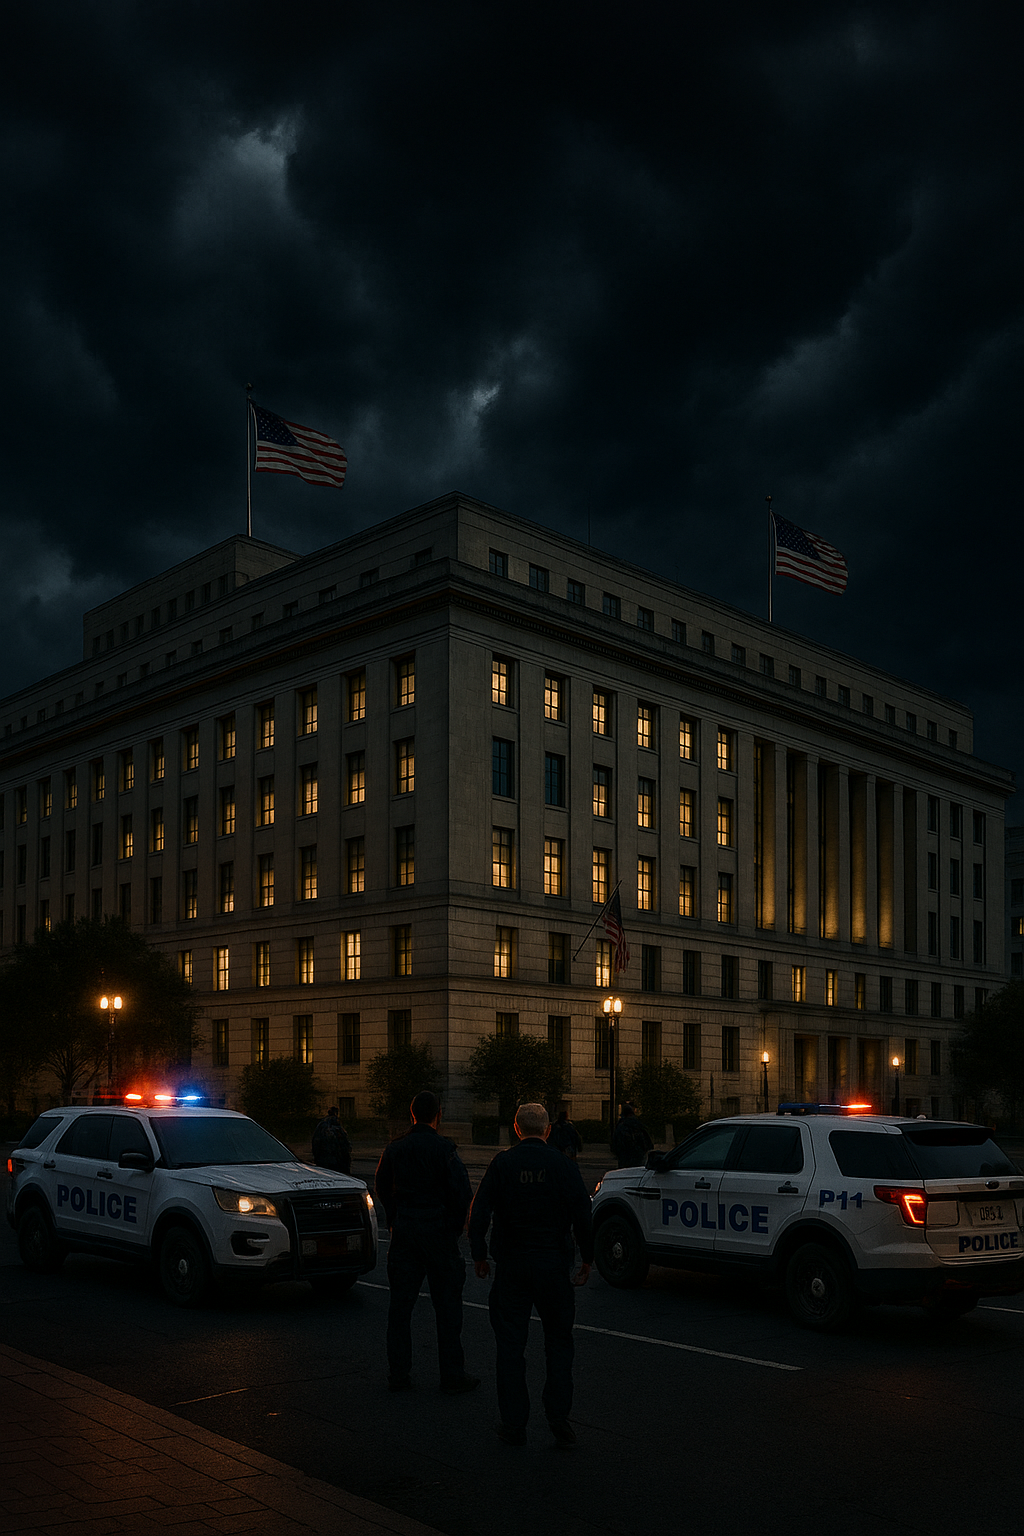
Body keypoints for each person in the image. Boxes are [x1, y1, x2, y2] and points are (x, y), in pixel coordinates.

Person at [469, 1102, 594, 1448]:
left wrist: (479, 1254)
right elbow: (582, 1214)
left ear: (516, 1128)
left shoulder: (503, 1163)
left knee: (510, 1345)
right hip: (553, 1264)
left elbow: (479, 1212)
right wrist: (587, 1258)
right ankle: (558, 1416)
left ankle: (514, 1422)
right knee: (559, 1342)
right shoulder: (563, 1165)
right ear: (548, 1130)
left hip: (513, 1265)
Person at [374, 1090, 479, 1395]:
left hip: (406, 1230)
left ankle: (399, 1374)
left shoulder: (395, 1148)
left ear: (412, 1114)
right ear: (438, 1115)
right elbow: (462, 1192)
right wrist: (453, 1227)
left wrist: (394, 1217)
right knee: (447, 1309)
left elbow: (381, 1185)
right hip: (438, 1232)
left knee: (400, 1307)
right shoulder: (444, 1149)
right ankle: (452, 1375)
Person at [611, 1103, 654, 1168]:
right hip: (638, 1155)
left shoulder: (621, 1126)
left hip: (624, 1155)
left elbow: (615, 1142)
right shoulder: (638, 1124)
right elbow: (647, 1140)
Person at [312, 1106, 352, 1174]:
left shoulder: (322, 1124)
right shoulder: (333, 1123)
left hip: (326, 1155)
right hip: (333, 1155)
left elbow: (316, 1141)